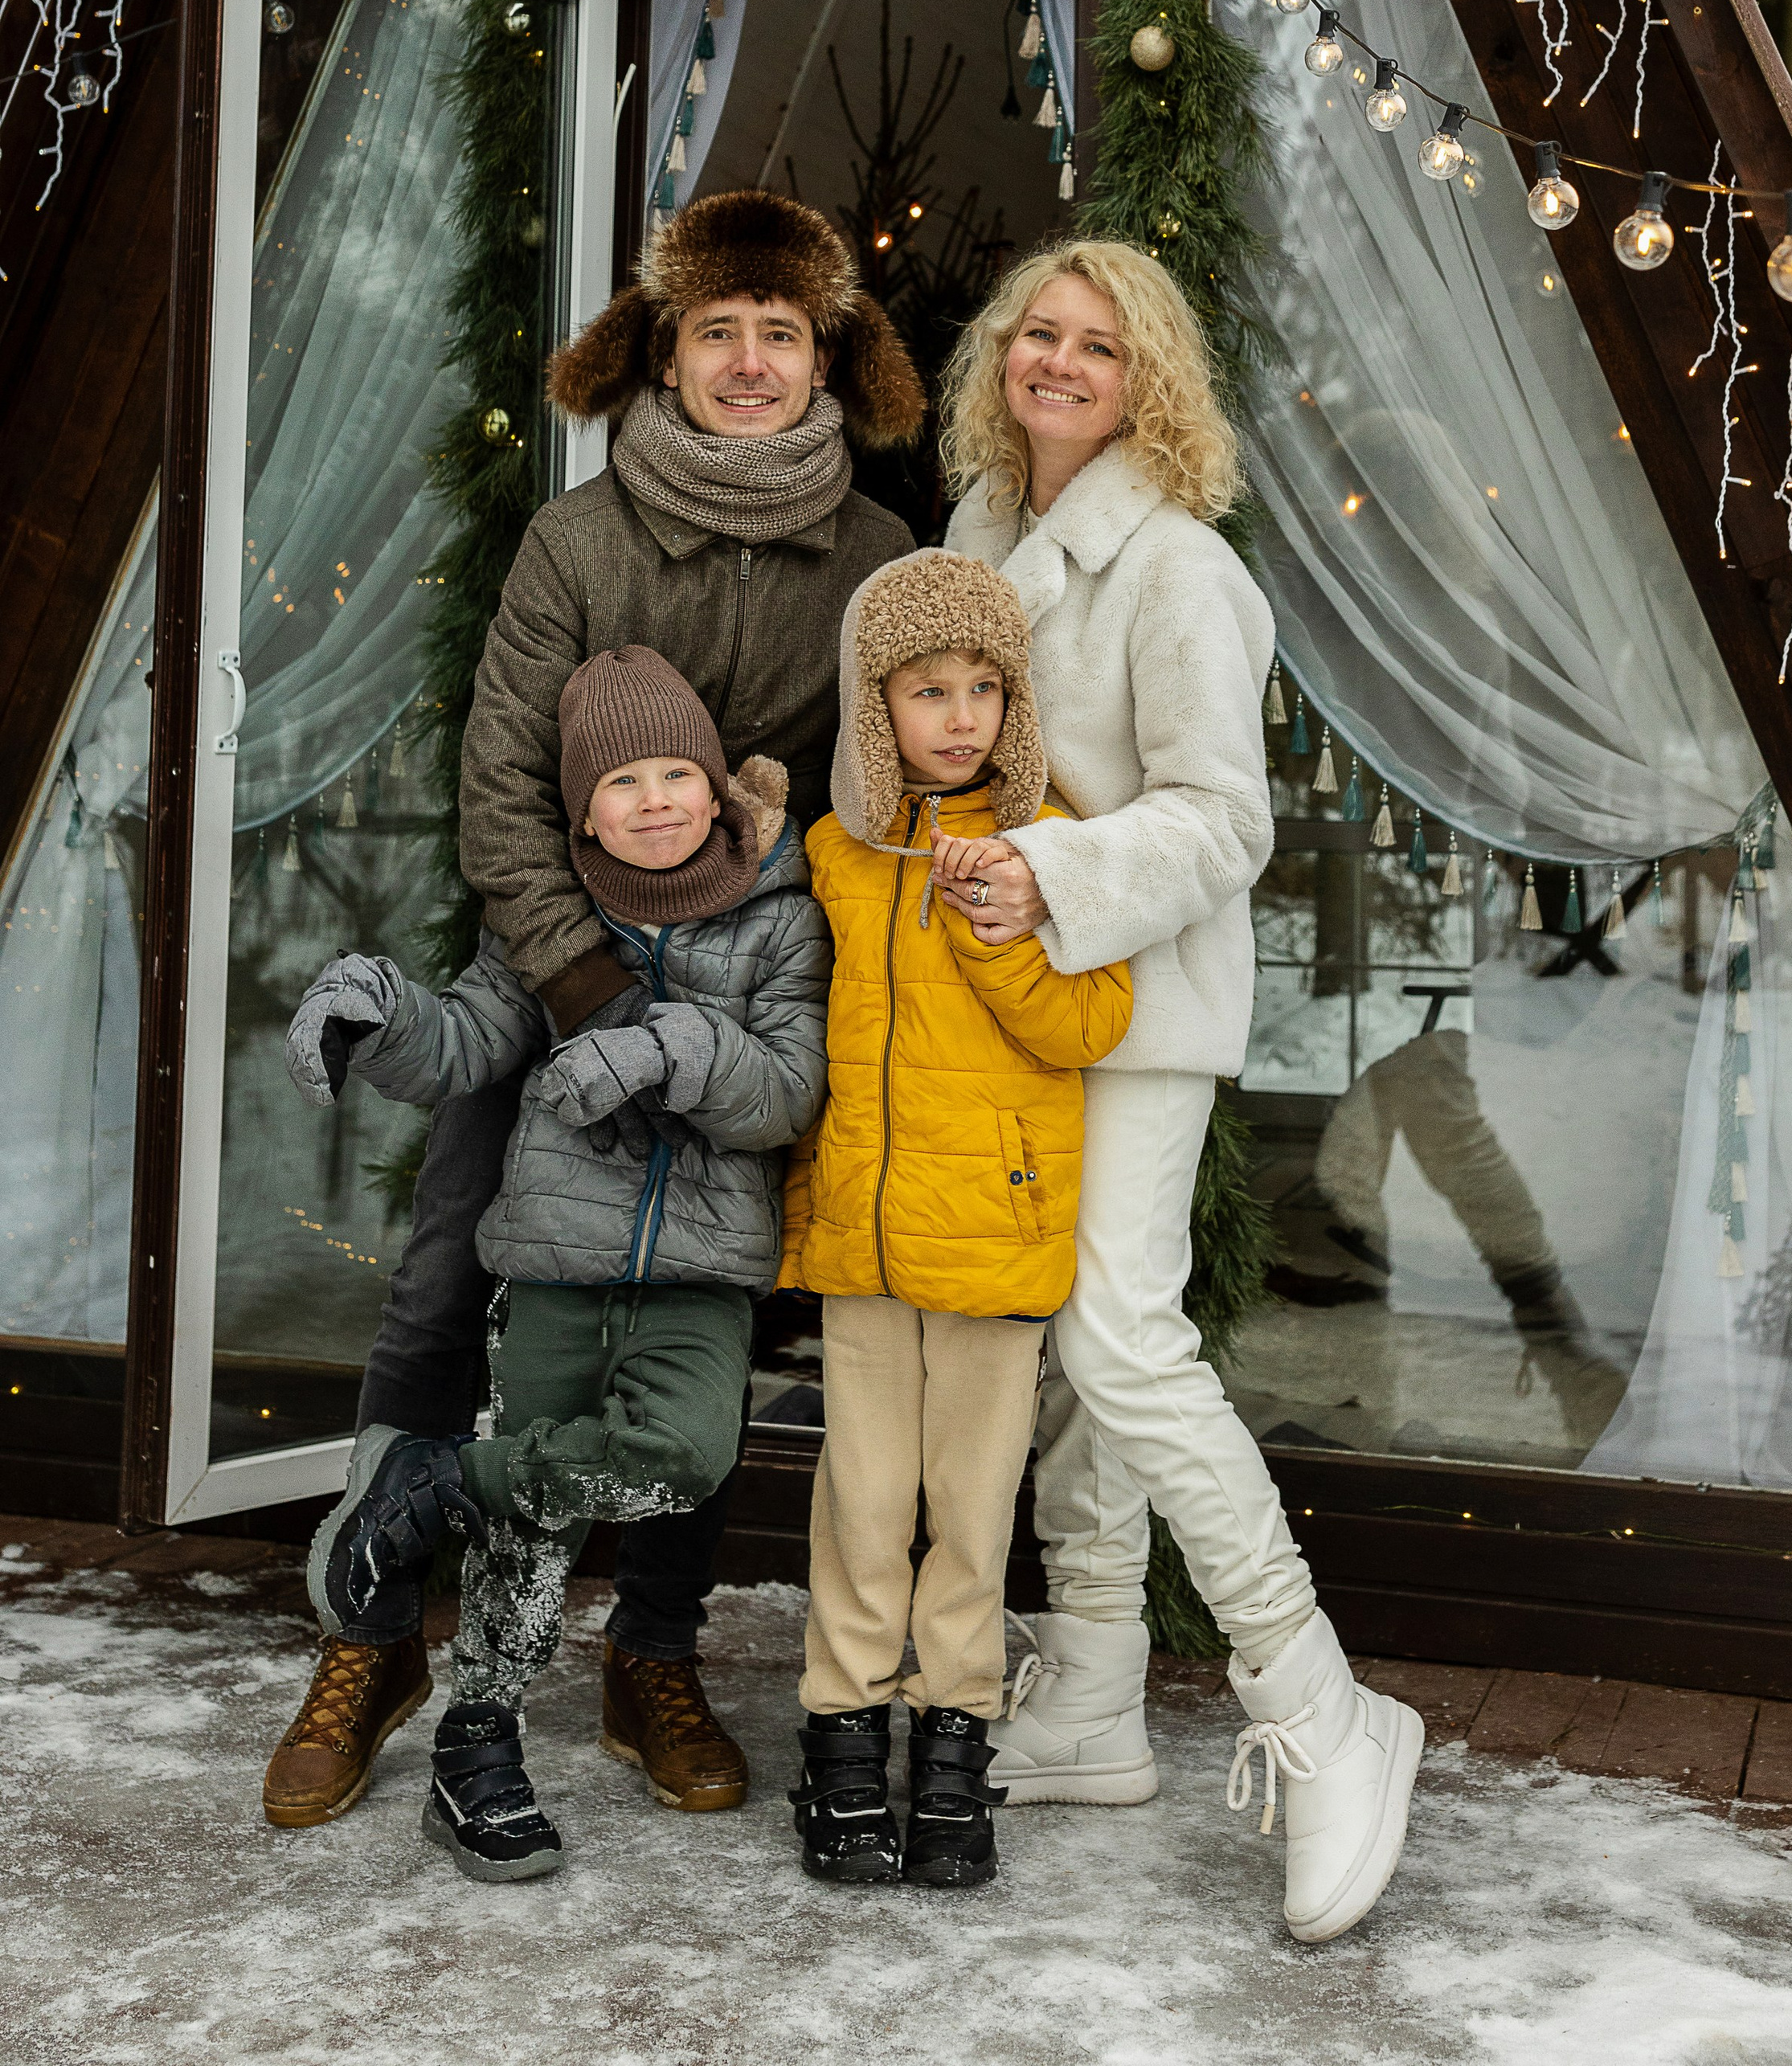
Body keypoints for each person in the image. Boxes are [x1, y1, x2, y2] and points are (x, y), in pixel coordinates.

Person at [262, 190, 922, 1831]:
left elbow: (895, 790)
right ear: (664, 349)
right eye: (718, 331)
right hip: (549, 975)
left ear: (825, 351)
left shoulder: (878, 558)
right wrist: (592, 991)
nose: (751, 361)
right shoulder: (578, 536)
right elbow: (499, 789)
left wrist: (749, 911)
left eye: (782, 331)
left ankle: (654, 1651)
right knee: (434, 1296)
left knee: (703, 1318)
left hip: (750, 999)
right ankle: (373, 1638)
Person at [930, 239, 1423, 1948]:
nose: (1060, 363)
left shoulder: (1180, 568)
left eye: (1099, 345)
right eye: (1036, 335)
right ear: (1000, 357)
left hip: (1131, 1002)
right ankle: (1086, 1691)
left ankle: (1318, 1704)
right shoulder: (975, 543)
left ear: (1150, 382)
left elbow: (1226, 818)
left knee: (1118, 1338)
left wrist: (1050, 873)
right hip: (1007, 1005)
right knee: (1062, 1344)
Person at [281, 645, 830, 1881]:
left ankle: (437, 1474)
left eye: (676, 771)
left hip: (697, 1272)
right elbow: (470, 1038)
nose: (653, 799)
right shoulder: (546, 919)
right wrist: (379, 1007)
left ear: (718, 785)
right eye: (621, 780)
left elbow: (788, 1088)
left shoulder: (784, 916)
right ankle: (478, 1745)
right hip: (550, 1266)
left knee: (685, 1454)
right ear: (581, 809)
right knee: (525, 1535)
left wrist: (660, 1049)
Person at [778, 551, 1131, 1891]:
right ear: (880, 705)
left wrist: (1001, 928)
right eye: (931, 689)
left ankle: (952, 1744)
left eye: (986, 686)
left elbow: (1093, 1020)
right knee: (863, 1496)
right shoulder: (837, 851)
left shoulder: (1056, 839)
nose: (963, 715)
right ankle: (844, 1734)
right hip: (866, 1241)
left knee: (973, 1506)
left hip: (992, 1229)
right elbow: (803, 1024)